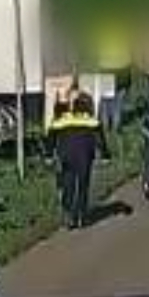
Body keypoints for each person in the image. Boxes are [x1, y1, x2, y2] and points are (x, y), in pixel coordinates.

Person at [47, 92, 109, 229]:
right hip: (84, 157)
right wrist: (105, 155)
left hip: (66, 156)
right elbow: (100, 139)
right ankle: (81, 215)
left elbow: (51, 135)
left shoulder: (63, 119)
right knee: (82, 186)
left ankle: (68, 213)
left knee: (68, 185)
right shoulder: (91, 120)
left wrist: (49, 154)